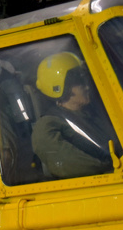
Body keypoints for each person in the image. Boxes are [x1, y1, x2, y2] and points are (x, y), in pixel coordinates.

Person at [31, 52, 118, 180]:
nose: (87, 86)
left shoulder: (92, 113)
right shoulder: (48, 125)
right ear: (61, 88)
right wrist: (112, 166)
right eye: (79, 83)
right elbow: (70, 166)